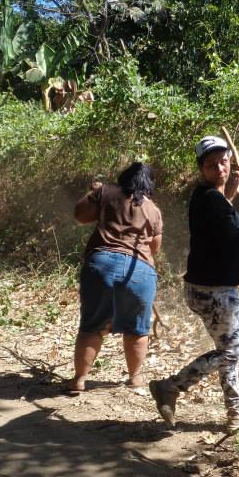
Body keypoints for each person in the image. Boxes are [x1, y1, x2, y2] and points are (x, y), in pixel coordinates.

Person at [149, 135, 239, 431]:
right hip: (215, 291)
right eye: (212, 165)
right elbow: (236, 239)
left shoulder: (207, 197)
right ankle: (171, 387)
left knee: (228, 350)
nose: (220, 169)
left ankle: (236, 411)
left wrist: (231, 195)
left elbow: (219, 224)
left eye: (224, 162)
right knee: (229, 352)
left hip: (204, 288)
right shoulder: (211, 198)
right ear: (201, 168)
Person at [70, 161, 163, 391]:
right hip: (140, 270)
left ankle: (79, 379)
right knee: (138, 328)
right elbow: (154, 248)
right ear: (149, 184)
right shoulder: (153, 209)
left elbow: (80, 215)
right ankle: (134, 378)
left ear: (124, 178)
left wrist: (93, 192)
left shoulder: (106, 192)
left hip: (101, 264)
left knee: (92, 325)